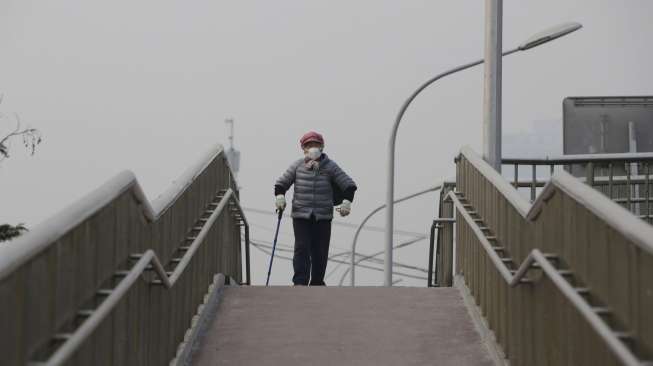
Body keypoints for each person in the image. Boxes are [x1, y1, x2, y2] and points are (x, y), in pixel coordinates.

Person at [274, 131, 357, 286]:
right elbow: (281, 183)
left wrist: (347, 202)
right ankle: (300, 281)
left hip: (323, 215)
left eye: (316, 144)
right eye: (309, 145)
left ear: (322, 146)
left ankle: (317, 281)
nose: (313, 148)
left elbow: (349, 185)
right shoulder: (297, 166)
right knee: (302, 247)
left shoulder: (330, 166)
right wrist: (280, 197)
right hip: (301, 214)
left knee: (320, 250)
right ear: (303, 148)